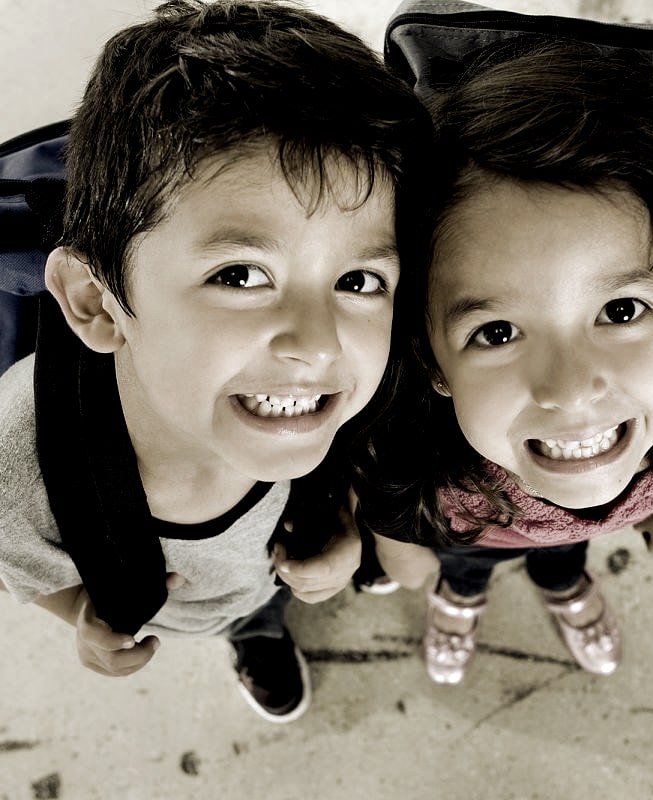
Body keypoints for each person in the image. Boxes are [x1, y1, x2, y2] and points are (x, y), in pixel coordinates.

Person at [0, 0, 428, 721]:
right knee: (231, 617)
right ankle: (245, 635)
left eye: (358, 281)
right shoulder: (21, 466)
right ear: (98, 303)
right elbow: (17, 560)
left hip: (267, 575)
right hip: (176, 605)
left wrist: (346, 536)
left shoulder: (343, 392)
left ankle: (260, 628)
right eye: (240, 275)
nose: (318, 344)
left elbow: (354, 460)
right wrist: (80, 616)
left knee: (263, 608)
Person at [357, 39, 653, 685]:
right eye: (497, 332)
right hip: (470, 536)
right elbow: (391, 509)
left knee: (564, 551)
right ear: (431, 361)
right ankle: (461, 596)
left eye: (620, 311)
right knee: (465, 565)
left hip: (578, 534)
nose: (569, 392)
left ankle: (563, 583)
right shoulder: (403, 443)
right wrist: (407, 559)